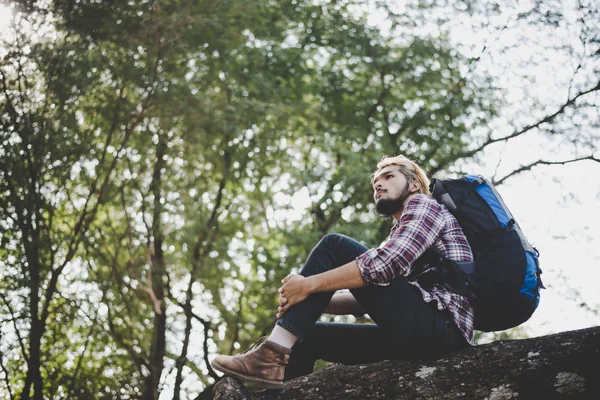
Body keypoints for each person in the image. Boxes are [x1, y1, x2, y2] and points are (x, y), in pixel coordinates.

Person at [211, 155, 474, 389]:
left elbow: (384, 265)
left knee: (333, 245)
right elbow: (365, 298)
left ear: (415, 183)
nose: (378, 185)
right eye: (375, 183)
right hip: (414, 336)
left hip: (442, 329)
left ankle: (272, 351)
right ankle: (275, 378)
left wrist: (308, 285)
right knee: (307, 336)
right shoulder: (402, 232)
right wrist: (308, 301)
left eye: (388, 176)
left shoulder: (423, 205)